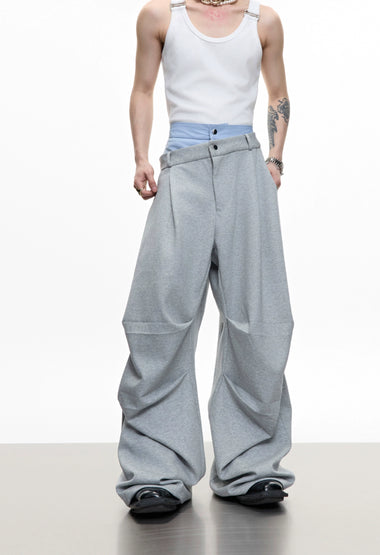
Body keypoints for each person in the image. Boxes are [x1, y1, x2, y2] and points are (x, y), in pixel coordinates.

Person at [115, 0, 295, 515]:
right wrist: (141, 156)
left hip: (244, 165)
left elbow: (278, 93)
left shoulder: (263, 20)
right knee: (159, 320)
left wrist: (275, 160)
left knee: (259, 321)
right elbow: (143, 88)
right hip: (183, 167)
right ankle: (156, 471)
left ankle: (250, 467)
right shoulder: (160, 16)